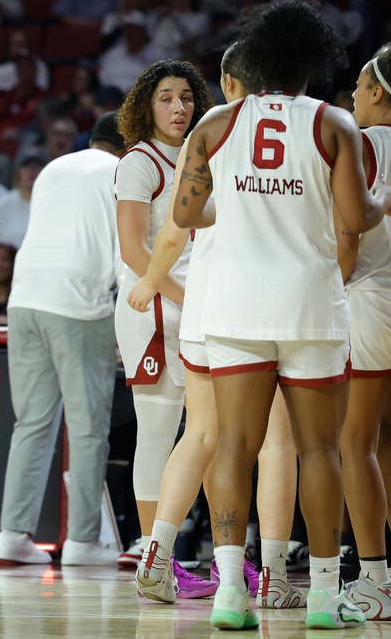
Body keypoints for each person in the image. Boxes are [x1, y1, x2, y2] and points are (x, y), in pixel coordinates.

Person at [170, 1, 391, 630]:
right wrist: (385, 198)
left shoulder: (214, 125)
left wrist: (243, 207)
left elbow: (188, 214)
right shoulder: (334, 123)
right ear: (314, 63)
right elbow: (356, 220)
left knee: (234, 446)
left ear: (252, 58)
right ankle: (327, 599)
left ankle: (228, 594)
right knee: (320, 450)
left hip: (237, 307)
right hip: (309, 304)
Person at [128, 42, 304, 610]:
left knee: (199, 434)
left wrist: (152, 280)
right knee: (276, 442)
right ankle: (273, 574)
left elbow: (178, 226)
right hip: (276, 301)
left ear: (229, 81)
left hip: (205, 301)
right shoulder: (319, 125)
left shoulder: (212, 129)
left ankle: (157, 556)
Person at [0, 112, 124, 566]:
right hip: (77, 305)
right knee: (87, 429)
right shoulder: (124, 171)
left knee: (31, 423)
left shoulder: (56, 166)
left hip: (25, 301)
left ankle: (12, 534)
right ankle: (84, 542)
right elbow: (127, 253)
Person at [111, 59, 216, 597]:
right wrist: (189, 297)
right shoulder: (138, 162)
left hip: (200, 310)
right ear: (146, 107)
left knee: (206, 437)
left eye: (186, 98)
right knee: (156, 437)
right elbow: (134, 251)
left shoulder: (204, 155)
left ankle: (183, 552)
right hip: (153, 311)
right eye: (166, 99)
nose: (179, 108)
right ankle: (155, 560)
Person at [337, 30, 391, 618]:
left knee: (358, 441)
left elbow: (346, 228)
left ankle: (376, 579)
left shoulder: (361, 142)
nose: (352, 98)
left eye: (359, 89)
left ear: (376, 92)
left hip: (366, 297)